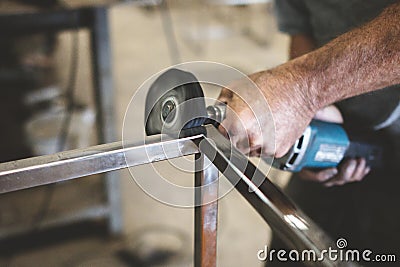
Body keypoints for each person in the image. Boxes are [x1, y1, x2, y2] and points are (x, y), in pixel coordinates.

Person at [218, 1, 400, 265]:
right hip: (336, 121)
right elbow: (302, 25)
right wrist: (306, 118)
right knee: (292, 249)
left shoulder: (306, 88)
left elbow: (301, 87)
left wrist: (302, 90)